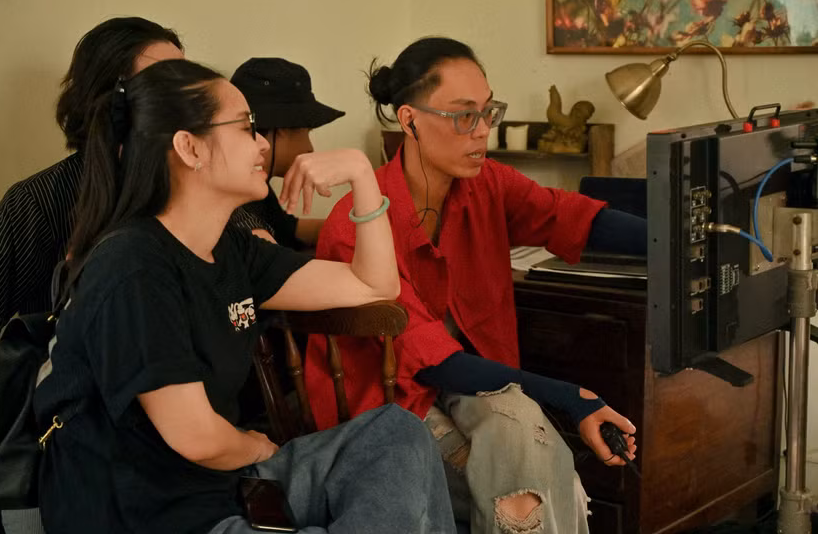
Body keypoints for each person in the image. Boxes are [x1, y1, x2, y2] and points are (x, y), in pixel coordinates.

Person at [33, 58, 455, 534]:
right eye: (245, 126)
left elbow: (376, 286)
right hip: (154, 513)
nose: (262, 143)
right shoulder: (133, 265)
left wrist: (362, 176)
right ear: (190, 147)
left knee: (398, 432)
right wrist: (256, 446)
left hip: (226, 484)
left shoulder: (231, 249)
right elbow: (196, 437)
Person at [306, 37, 643, 534]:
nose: (483, 129)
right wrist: (573, 398)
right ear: (409, 120)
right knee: (541, 482)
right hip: (389, 410)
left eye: (488, 111)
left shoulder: (486, 184)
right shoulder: (355, 225)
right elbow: (433, 361)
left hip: (474, 386)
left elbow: (566, 216)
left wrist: (679, 237)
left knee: (521, 426)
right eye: (464, 115)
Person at [0, 16, 184, 338]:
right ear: (110, 100)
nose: (187, 103)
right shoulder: (38, 201)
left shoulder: (195, 183)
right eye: (163, 86)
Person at [230, 58, 345, 249]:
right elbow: (274, 259)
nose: (310, 148)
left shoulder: (257, 181)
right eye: (307, 132)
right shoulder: (238, 200)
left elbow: (287, 229)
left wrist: (356, 228)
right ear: (283, 129)